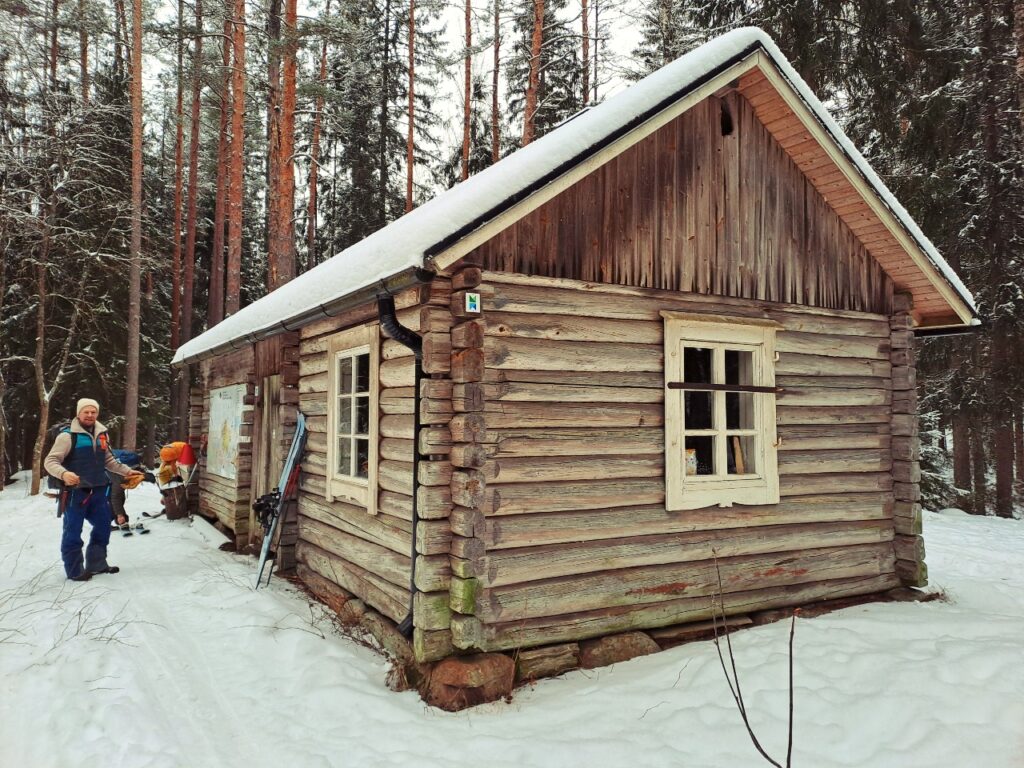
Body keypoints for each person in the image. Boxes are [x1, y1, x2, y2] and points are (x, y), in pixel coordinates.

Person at [44, 398, 145, 581]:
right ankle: (75, 570)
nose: (90, 415)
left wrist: (127, 471)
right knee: (73, 531)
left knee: (104, 526)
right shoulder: (67, 436)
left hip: (98, 490)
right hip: (75, 493)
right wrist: (64, 474)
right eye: (86, 412)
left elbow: (109, 460)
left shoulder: (102, 434)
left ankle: (97, 563)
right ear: (78, 413)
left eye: (93, 412)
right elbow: (50, 461)